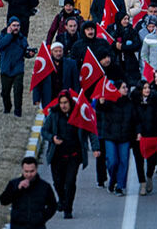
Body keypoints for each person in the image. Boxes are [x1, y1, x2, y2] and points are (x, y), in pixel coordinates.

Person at [39, 90, 99, 218]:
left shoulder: (79, 113)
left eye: (65, 102)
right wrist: (52, 138)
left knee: (70, 182)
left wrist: (95, 148)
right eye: (61, 103)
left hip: (73, 155)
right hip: (57, 156)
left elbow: (91, 130)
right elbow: (44, 131)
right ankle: (62, 199)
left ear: (70, 103)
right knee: (58, 182)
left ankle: (68, 209)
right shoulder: (54, 114)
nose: (63, 105)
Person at [96, 80, 135, 196]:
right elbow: (99, 110)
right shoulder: (109, 102)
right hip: (110, 137)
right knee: (112, 161)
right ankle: (113, 179)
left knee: (123, 161)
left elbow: (135, 119)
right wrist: (101, 103)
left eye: (126, 87)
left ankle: (120, 186)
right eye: (123, 87)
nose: (126, 89)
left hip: (125, 137)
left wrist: (136, 133)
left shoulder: (129, 103)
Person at [0, 156, 58, 229]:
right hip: (17, 226)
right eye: (26, 171)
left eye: (32, 171)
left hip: (37, 226)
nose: (29, 174)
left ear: (36, 169)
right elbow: (3, 201)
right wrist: (17, 189)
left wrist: (42, 218)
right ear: (22, 170)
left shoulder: (45, 187)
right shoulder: (13, 184)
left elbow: (53, 205)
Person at [0, 16, 32, 117]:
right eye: (14, 25)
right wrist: (9, 35)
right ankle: (7, 107)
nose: (16, 27)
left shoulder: (22, 39)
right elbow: (0, 45)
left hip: (18, 68)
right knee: (5, 92)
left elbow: (25, 51)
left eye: (18, 25)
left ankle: (18, 110)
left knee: (18, 90)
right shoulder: (2, 36)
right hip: (6, 68)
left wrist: (29, 54)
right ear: (9, 26)